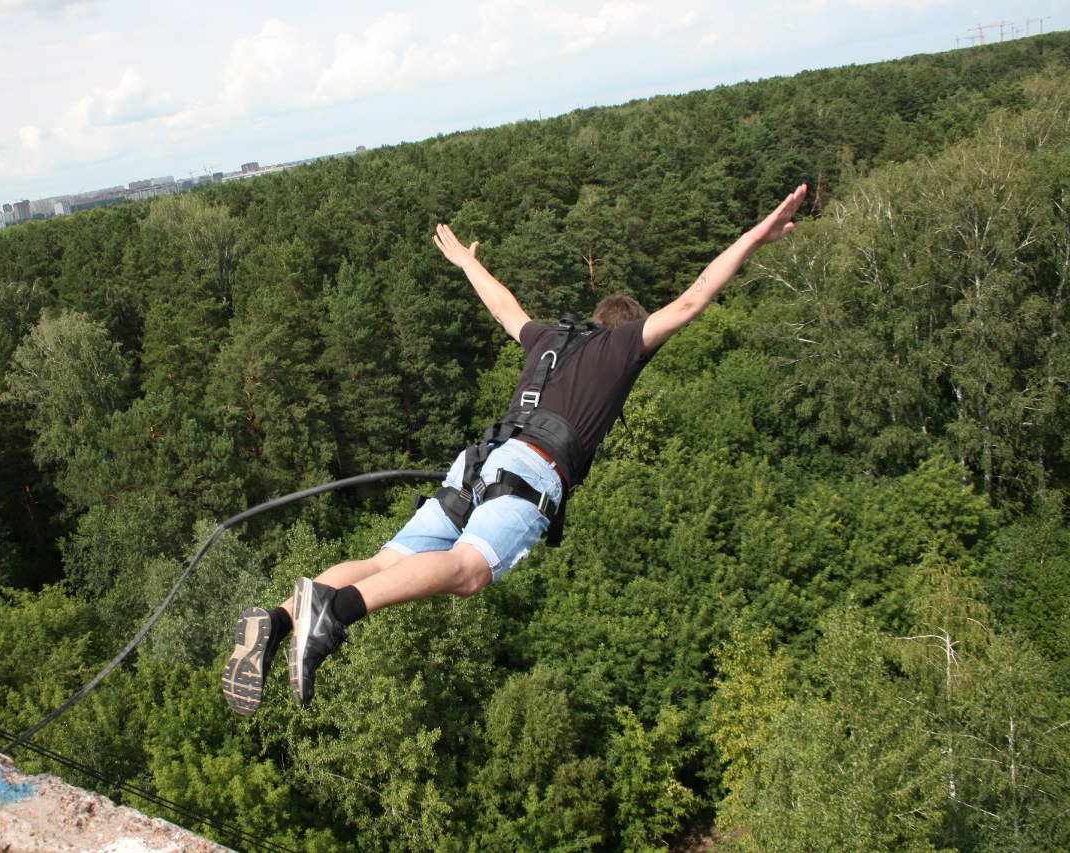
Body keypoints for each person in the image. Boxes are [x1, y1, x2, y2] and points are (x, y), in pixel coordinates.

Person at [222, 184, 808, 715]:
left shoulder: (550, 339)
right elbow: (690, 302)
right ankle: (335, 614)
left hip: (476, 461)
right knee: (470, 571)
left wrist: (467, 262)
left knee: (385, 564)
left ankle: (278, 622)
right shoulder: (622, 348)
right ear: (627, 331)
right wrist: (755, 238)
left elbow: (506, 307)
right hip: (531, 469)